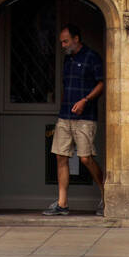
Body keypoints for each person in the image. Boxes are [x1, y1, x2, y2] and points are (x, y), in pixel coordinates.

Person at [43, 23, 105, 216]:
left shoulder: (92, 57)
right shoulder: (67, 60)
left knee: (86, 158)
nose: (62, 45)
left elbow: (102, 83)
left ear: (76, 39)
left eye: (65, 41)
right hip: (65, 115)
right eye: (61, 42)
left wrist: (85, 100)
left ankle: (107, 195)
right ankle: (62, 203)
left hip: (85, 117)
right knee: (61, 157)